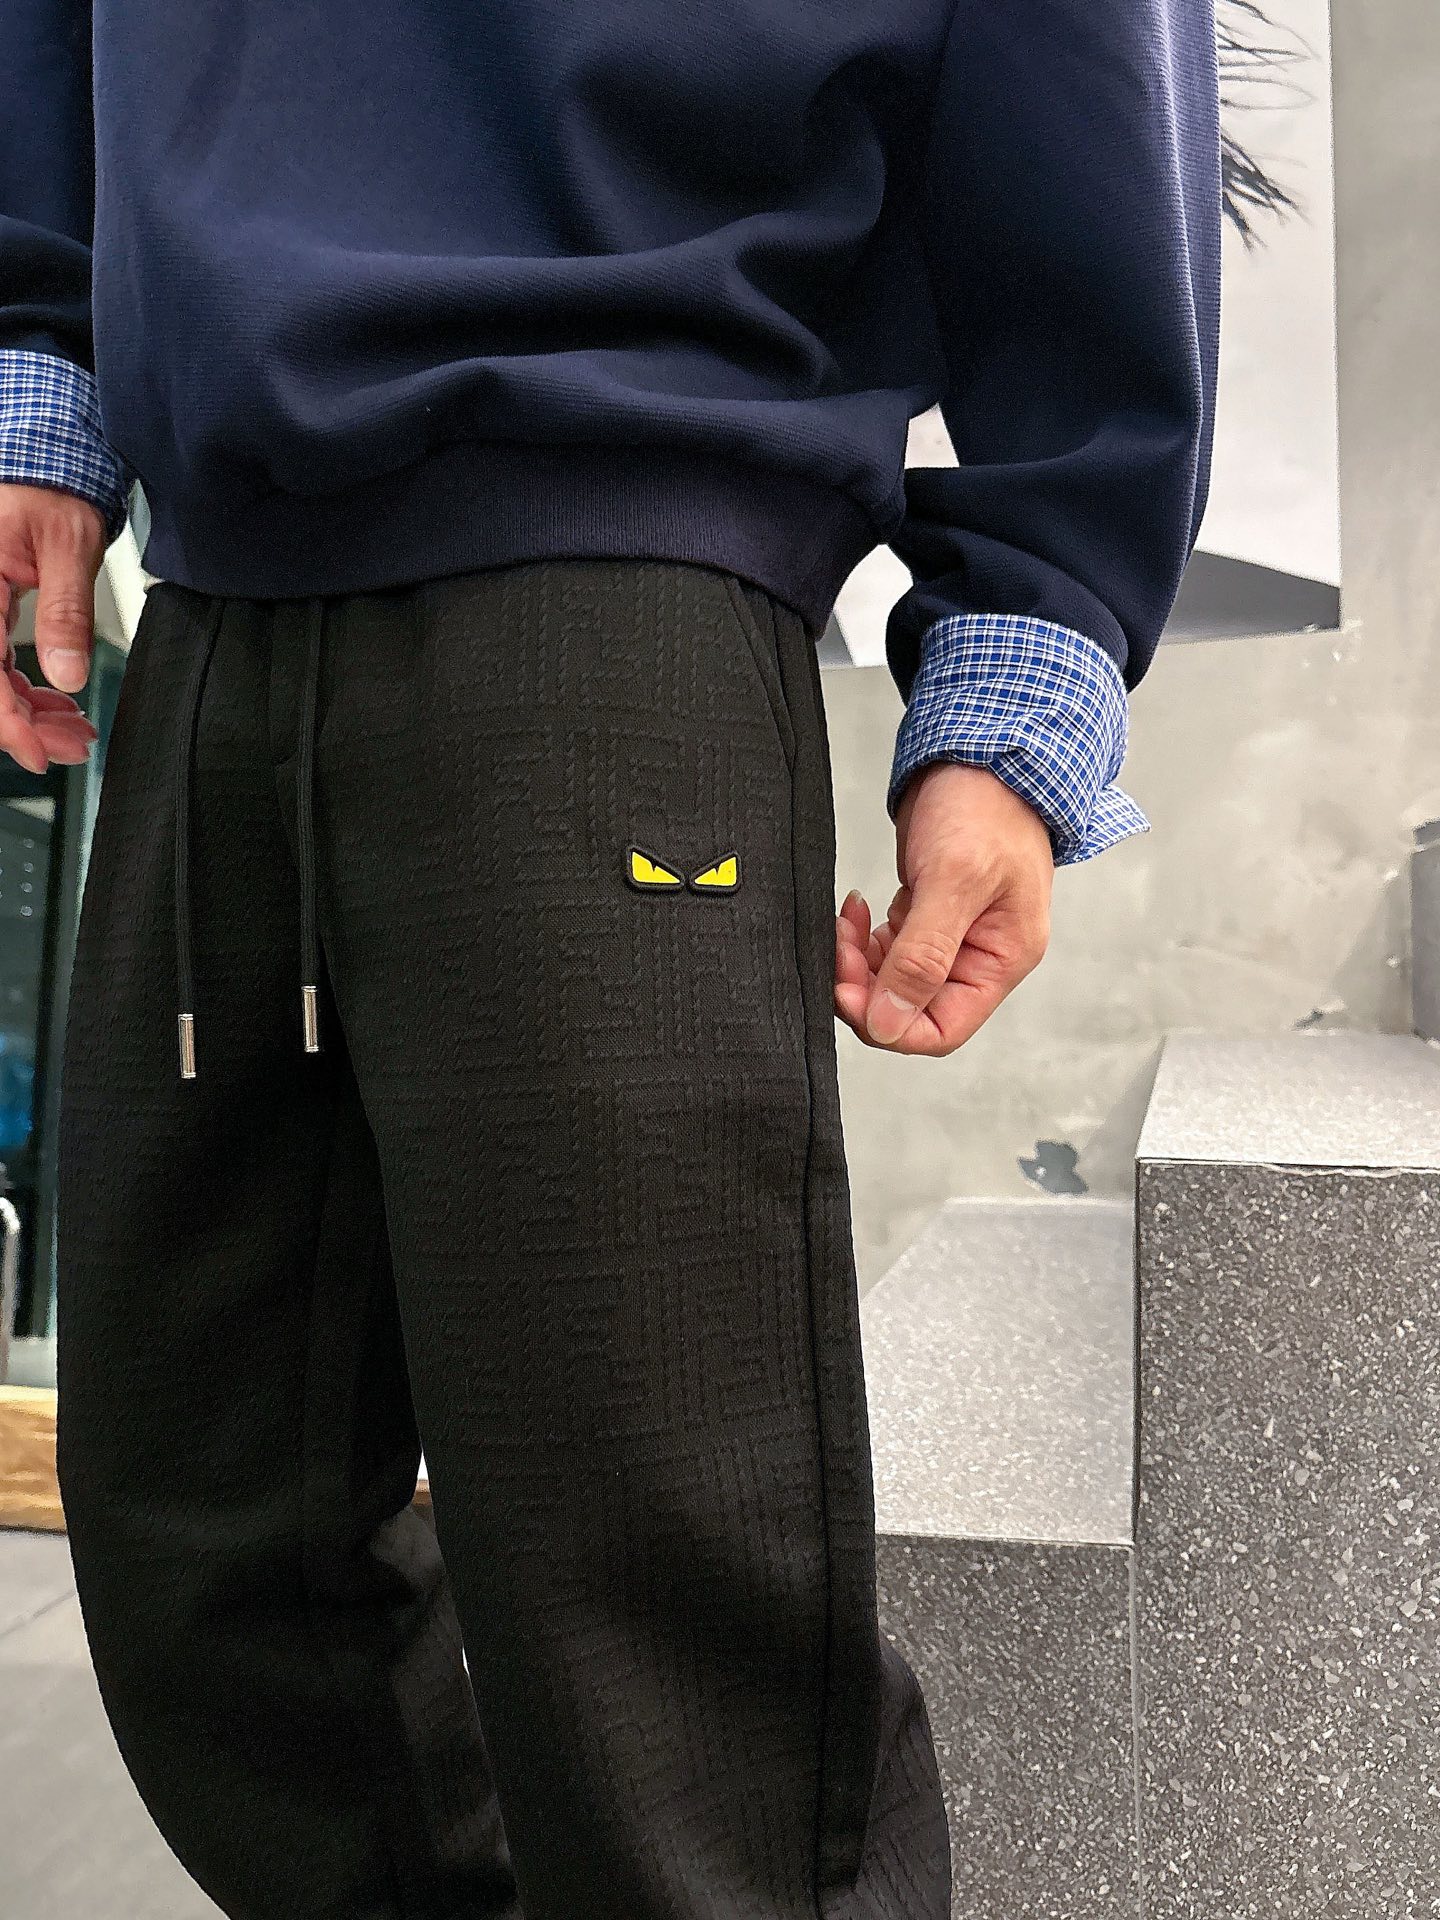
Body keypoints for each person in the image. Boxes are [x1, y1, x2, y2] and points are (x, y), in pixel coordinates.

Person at [0, 1, 1220, 1914]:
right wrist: (44, 360)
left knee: (672, 1656)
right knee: (213, 1567)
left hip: (617, 563)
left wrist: (1026, 651)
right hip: (220, 597)